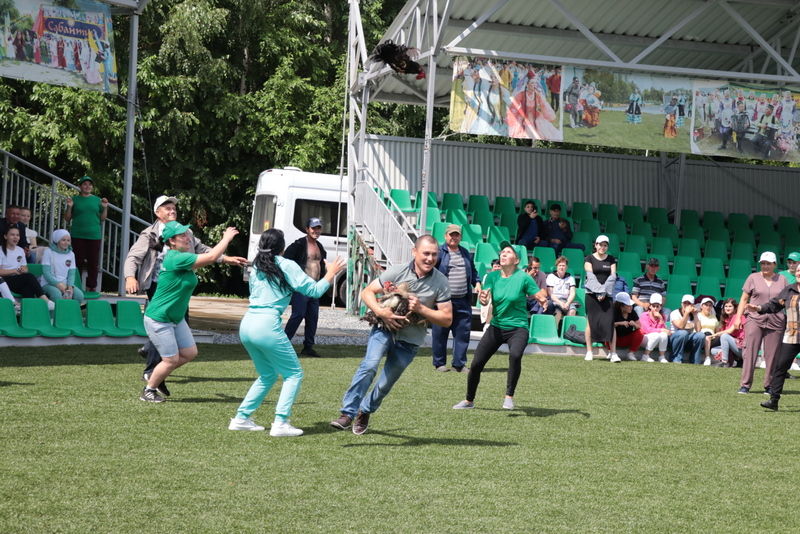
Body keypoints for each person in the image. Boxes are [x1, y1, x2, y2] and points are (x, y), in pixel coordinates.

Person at [125, 195, 247, 395]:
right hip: (158, 286)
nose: (172, 211)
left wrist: (226, 259)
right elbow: (134, 256)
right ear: (158, 213)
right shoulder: (151, 235)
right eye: (167, 208)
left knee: (186, 347)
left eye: (174, 208)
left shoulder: (185, 233)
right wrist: (130, 277)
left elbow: (204, 250)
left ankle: (152, 354)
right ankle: (152, 378)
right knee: (168, 348)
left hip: (178, 291)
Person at [330, 235, 452, 435]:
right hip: (384, 328)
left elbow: (446, 318)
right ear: (414, 252)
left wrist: (421, 308)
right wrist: (380, 311)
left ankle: (365, 410)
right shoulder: (398, 271)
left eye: (434, 255)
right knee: (369, 365)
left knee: (386, 382)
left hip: (411, 339)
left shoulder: (441, 281)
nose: (430, 258)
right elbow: (367, 292)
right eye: (426, 253)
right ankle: (347, 413)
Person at [229, 229, 346, 435]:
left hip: (247, 325)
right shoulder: (286, 265)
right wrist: (331, 272)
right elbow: (315, 291)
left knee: (268, 374)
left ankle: (241, 418)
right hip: (266, 326)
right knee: (294, 374)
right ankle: (281, 423)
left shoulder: (256, 266)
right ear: (282, 247)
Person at [452, 241, 542, 411]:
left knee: (515, 355)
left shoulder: (523, 277)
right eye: (502, 252)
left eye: (508, 252)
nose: (503, 254)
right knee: (477, 364)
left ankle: (509, 396)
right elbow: (484, 297)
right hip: (497, 326)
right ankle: (469, 401)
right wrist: (484, 298)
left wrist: (542, 298)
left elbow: (538, 293)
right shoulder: (492, 276)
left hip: (518, 327)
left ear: (516, 260)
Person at [735, 251, 786, 394]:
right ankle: (745, 385)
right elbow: (744, 299)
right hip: (754, 319)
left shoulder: (782, 280)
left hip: (776, 321)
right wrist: (738, 318)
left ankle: (769, 385)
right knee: (750, 351)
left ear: (775, 264)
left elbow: (787, 300)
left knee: (772, 354)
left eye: (768, 263)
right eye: (763, 263)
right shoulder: (752, 277)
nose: (765, 266)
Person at [432, 224, 480, 373]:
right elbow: (430, 271)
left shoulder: (465, 252)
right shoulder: (439, 252)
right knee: (440, 332)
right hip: (443, 300)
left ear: (460, 237)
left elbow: (472, 271)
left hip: (463, 300)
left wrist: (477, 283)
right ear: (445, 236)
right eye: (451, 235)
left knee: (462, 332)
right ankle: (439, 363)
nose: (454, 237)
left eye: (457, 235)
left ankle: (459, 364)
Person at [754, 263, 800, 410]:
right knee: (780, 368)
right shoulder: (789, 290)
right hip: (792, 336)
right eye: (798, 271)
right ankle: (773, 401)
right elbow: (774, 305)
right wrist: (759, 308)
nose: (799, 273)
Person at [283, 217, 328, 357]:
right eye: (313, 228)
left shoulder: (319, 246)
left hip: (314, 287)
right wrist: (293, 280)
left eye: (318, 228)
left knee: (312, 317)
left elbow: (323, 263)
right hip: (302, 287)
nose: (316, 231)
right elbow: (286, 260)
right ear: (307, 229)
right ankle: (284, 344)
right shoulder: (299, 244)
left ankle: (308, 347)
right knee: (298, 315)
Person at [63, 176, 108, 292]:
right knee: (77, 261)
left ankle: (91, 286)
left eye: (89, 184)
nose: (87, 186)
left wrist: (105, 208)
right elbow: (67, 218)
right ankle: (75, 285)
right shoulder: (74, 199)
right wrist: (69, 207)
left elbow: (102, 218)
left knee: (93, 262)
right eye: (84, 184)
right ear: (80, 186)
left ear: (92, 187)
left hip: (94, 235)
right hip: (77, 235)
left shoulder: (97, 200)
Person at [583, 235, 617, 361]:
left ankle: (613, 353)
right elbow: (590, 276)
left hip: (606, 295)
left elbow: (613, 276)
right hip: (592, 295)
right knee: (590, 323)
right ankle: (589, 352)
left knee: (610, 323)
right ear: (596, 245)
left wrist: (603, 292)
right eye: (600, 244)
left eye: (605, 245)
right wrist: (598, 292)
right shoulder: (589, 258)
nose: (603, 247)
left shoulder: (611, 259)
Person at [0, 227, 52, 308]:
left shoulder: (20, 250)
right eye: (12, 235)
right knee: (29, 277)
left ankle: (28, 311)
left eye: (17, 235)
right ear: (5, 236)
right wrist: (14, 271)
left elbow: (26, 268)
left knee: (28, 288)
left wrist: (23, 270)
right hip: (5, 281)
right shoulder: (1, 250)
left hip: (18, 279)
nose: (15, 237)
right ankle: (45, 299)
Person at [40, 229, 83, 302]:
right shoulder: (48, 252)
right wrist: (58, 284)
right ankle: (54, 313)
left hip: (65, 284)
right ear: (57, 240)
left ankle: (71, 313)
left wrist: (70, 287)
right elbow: (46, 273)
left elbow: (71, 274)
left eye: (68, 240)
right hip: (48, 283)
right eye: (63, 240)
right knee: (56, 295)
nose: (66, 243)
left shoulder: (71, 254)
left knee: (79, 296)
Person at [708, 298, 745, 367]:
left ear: (735, 308)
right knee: (713, 350)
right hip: (734, 347)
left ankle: (725, 362)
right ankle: (736, 360)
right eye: (726, 306)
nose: (727, 308)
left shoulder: (738, 317)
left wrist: (714, 335)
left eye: (730, 306)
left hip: (743, 348)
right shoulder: (726, 319)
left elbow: (729, 331)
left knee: (724, 336)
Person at [607, 292, 643, 363]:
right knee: (610, 329)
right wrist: (620, 323)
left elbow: (639, 326)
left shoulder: (632, 311)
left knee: (640, 332)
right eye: (628, 305)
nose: (631, 307)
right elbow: (607, 325)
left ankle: (631, 353)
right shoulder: (613, 311)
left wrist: (634, 324)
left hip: (626, 338)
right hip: (614, 339)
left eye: (631, 305)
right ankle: (610, 351)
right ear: (621, 306)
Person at [669, 295, 705, 364]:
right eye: (685, 303)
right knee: (683, 333)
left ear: (692, 305)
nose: (686, 305)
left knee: (701, 335)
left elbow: (698, 330)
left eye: (689, 303)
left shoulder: (695, 314)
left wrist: (695, 315)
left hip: (687, 339)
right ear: (681, 304)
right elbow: (681, 326)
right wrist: (686, 313)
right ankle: (676, 358)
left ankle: (695, 360)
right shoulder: (674, 313)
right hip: (674, 339)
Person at [545, 255, 576, 326]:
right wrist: (560, 303)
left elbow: (572, 293)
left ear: (566, 267)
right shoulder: (551, 276)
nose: (562, 267)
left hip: (567, 301)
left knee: (572, 310)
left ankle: (569, 333)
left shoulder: (570, 278)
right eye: (560, 265)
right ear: (557, 266)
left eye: (563, 265)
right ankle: (555, 332)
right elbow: (550, 293)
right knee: (557, 312)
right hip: (555, 301)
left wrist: (567, 303)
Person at [639, 293, 670, 363]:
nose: (655, 308)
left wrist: (661, 319)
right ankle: (645, 356)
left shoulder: (662, 316)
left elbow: (664, 331)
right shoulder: (644, 315)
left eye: (657, 306)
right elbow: (647, 330)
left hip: (655, 339)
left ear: (660, 307)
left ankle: (661, 357)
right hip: (644, 338)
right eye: (653, 306)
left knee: (663, 335)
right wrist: (661, 329)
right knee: (656, 334)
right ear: (650, 306)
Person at [696, 297, 720, 365]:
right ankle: (707, 357)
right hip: (702, 338)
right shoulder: (698, 315)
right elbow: (698, 330)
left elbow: (717, 330)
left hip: (713, 338)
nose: (708, 307)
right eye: (706, 305)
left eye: (710, 305)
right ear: (701, 306)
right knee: (707, 336)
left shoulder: (714, 316)